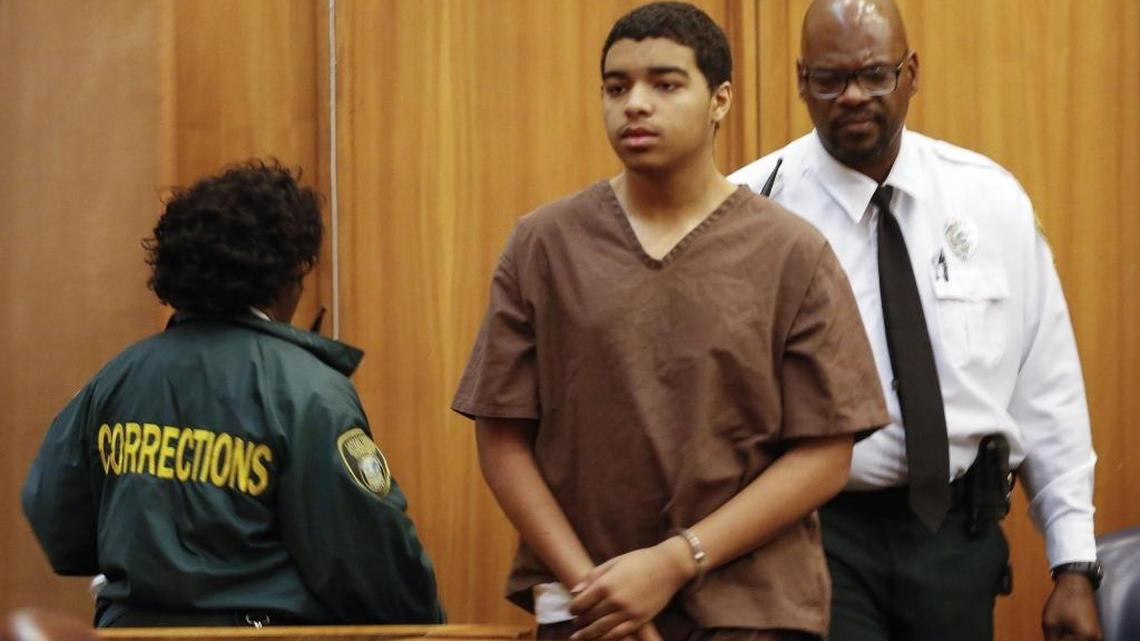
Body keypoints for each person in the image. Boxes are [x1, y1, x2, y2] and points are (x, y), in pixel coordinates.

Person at [452, 4, 888, 641]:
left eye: (665, 83)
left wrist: (674, 561)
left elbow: (826, 454)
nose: (634, 104)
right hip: (587, 610)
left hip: (751, 610)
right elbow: (502, 439)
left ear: (720, 99)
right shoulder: (544, 245)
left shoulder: (792, 253)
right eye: (616, 86)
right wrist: (598, 597)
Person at [730, 2, 1102, 640]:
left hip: (957, 535)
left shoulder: (991, 200)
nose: (852, 96)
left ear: (912, 72)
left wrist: (1074, 565)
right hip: (815, 535)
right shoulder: (749, 212)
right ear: (800, 80)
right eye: (828, 79)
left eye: (875, 74)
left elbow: (1048, 389)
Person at [22, 160, 445, 627]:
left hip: (129, 632)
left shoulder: (117, 377)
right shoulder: (310, 392)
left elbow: (57, 519)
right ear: (288, 277)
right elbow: (371, 560)